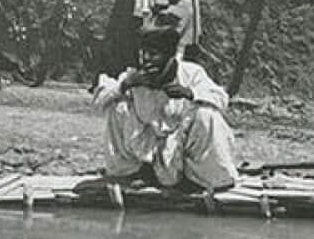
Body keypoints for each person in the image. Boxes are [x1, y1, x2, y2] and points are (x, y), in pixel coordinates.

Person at [92, 28, 240, 192]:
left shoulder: (191, 73)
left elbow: (222, 99)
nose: (147, 59)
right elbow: (100, 101)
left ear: (169, 56)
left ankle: (199, 178)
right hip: (146, 150)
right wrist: (125, 85)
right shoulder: (133, 76)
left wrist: (190, 93)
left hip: (179, 147)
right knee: (116, 107)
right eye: (144, 53)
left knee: (206, 114)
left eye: (154, 54)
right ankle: (132, 172)